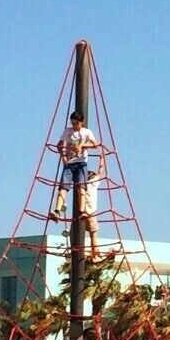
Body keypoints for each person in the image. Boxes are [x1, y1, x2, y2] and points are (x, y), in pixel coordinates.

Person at [56, 109, 105, 260]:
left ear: (81, 122)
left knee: (79, 189)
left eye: (76, 123)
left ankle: (83, 253)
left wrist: (82, 147)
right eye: (72, 123)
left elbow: (95, 145)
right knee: (93, 233)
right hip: (90, 214)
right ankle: (94, 255)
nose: (74, 125)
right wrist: (102, 160)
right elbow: (101, 171)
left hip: (85, 213)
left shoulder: (92, 182)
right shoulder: (94, 183)